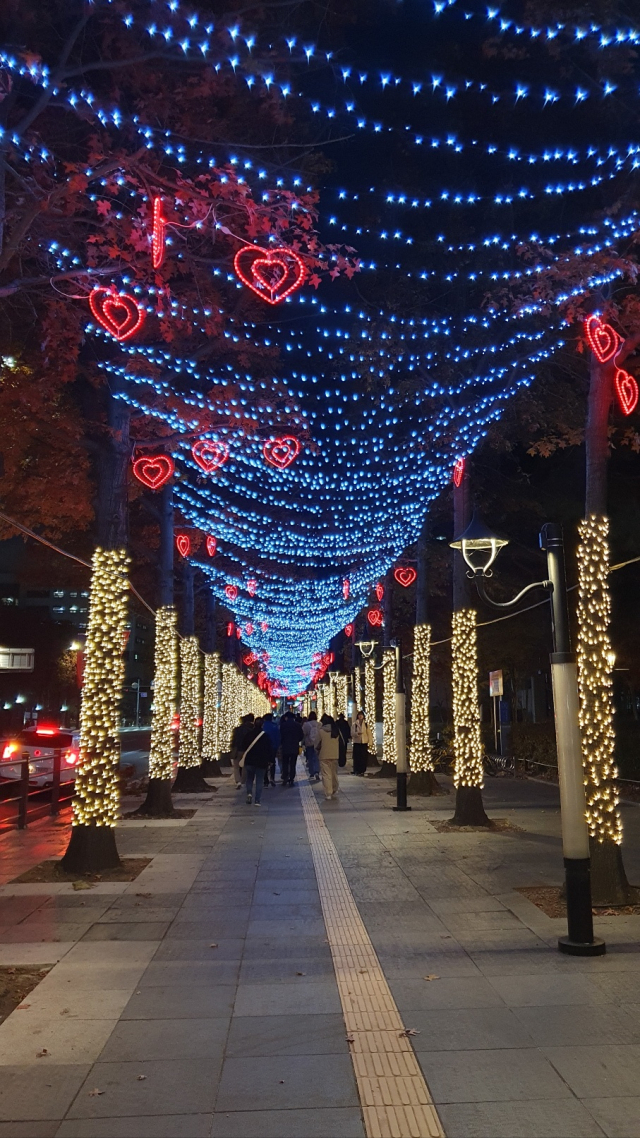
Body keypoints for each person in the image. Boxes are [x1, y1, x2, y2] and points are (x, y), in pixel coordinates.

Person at [242, 717, 274, 807]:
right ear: (262, 725)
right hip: (261, 762)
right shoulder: (265, 736)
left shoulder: (248, 735)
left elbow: (244, 746)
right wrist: (271, 760)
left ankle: (249, 793)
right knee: (259, 780)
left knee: (249, 778)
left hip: (250, 761)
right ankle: (257, 800)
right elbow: (269, 749)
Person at [318, 714, 340, 800]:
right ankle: (334, 788)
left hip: (324, 755)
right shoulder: (336, 731)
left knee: (326, 774)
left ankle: (328, 793)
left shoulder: (321, 731)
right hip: (335, 755)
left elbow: (317, 743)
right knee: (334, 773)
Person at [230, 713, 254, 788]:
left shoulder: (237, 730)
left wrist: (233, 747)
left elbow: (233, 740)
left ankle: (238, 781)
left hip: (238, 749)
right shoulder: (251, 730)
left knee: (236, 766)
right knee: (244, 766)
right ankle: (243, 780)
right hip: (247, 750)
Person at [280, 709, 303, 785]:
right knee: (293, 763)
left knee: (285, 763)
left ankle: (285, 777)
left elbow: (280, 736)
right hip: (294, 746)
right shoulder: (297, 725)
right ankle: (292, 778)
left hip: (285, 747)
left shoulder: (283, 725)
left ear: (286, 717)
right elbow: (301, 736)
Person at [352, 710, 373, 775]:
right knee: (357, 756)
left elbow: (369, 733)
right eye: (359, 715)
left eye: (361, 715)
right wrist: (357, 734)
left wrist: (370, 742)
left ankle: (362, 769)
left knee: (363, 757)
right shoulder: (354, 724)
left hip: (364, 742)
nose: (360, 716)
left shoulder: (366, 724)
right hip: (357, 742)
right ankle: (357, 769)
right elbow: (352, 733)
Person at [261, 713, 279, 787]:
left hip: (263, 747)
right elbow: (278, 737)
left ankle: (265, 780)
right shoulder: (275, 726)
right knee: (272, 762)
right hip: (273, 747)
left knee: (264, 763)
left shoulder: (262, 726)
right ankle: (272, 777)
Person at [302, 711, 321, 781]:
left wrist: (302, 742)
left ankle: (311, 773)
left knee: (310, 758)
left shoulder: (306, 724)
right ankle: (317, 771)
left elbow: (303, 733)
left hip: (309, 743)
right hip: (317, 743)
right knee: (317, 758)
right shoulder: (319, 724)